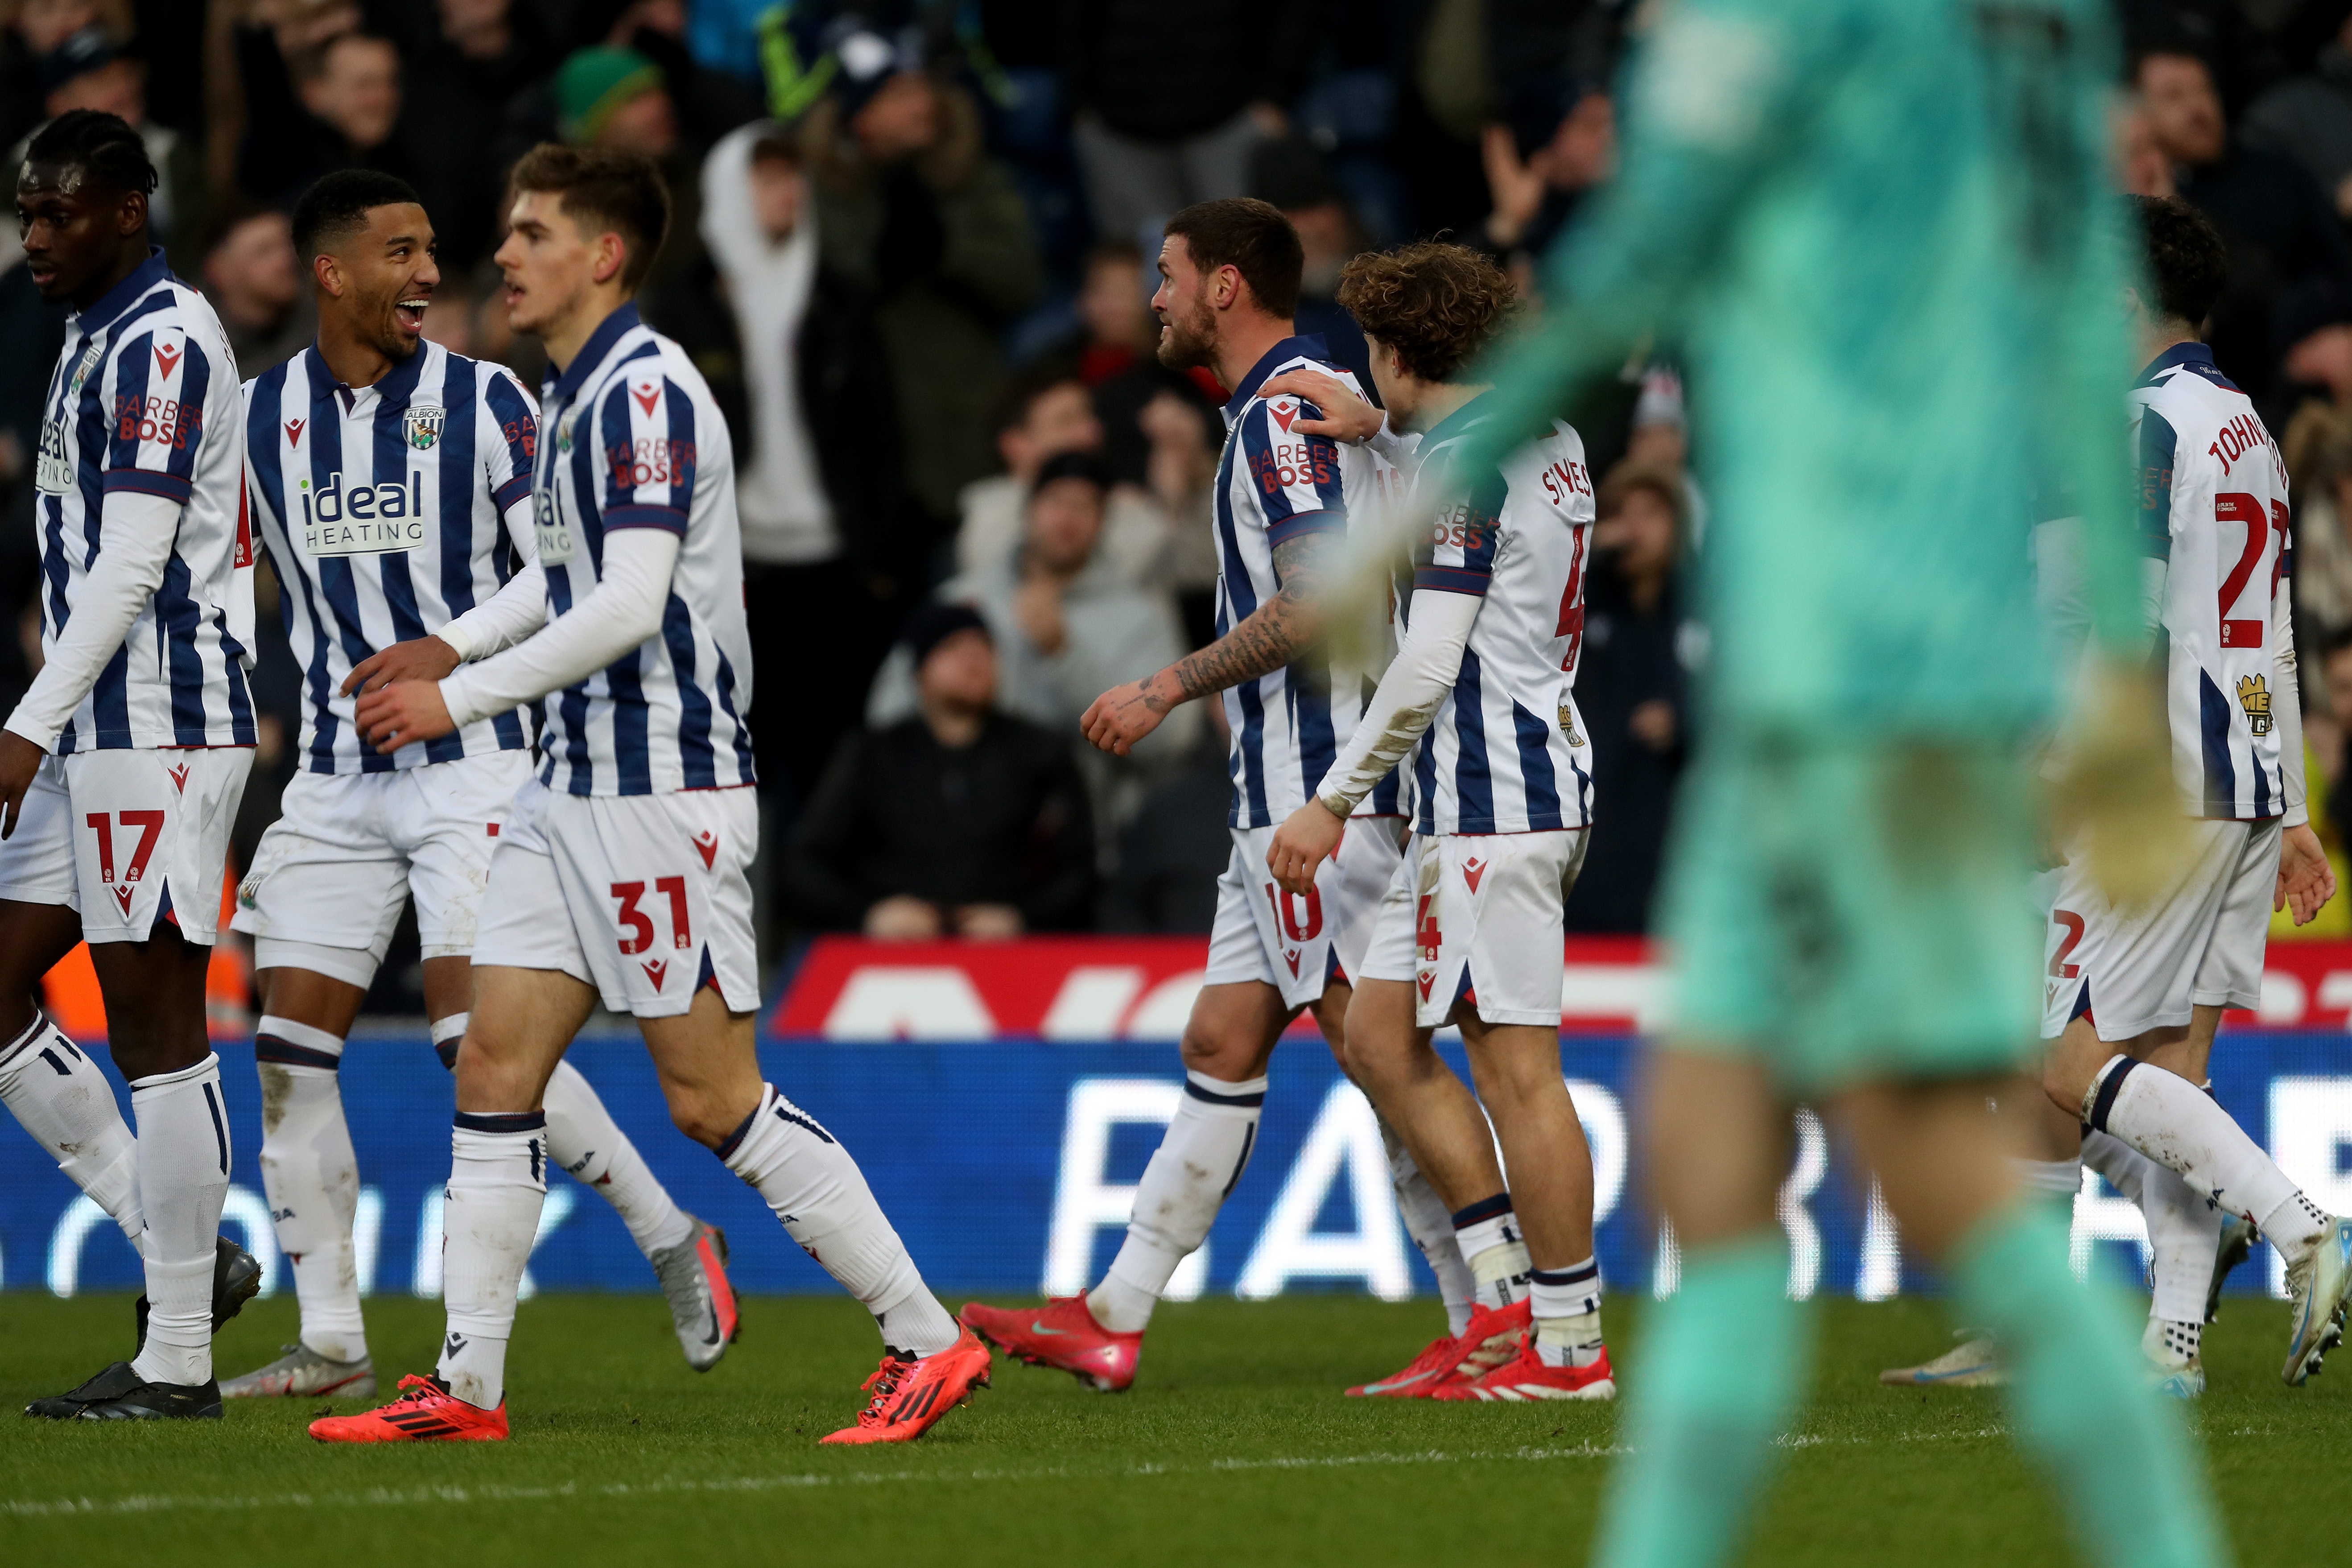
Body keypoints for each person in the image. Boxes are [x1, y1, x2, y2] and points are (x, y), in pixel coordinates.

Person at [1449, 2, 2238, 1563]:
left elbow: (1611, 279)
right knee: (1756, 1161)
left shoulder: (1766, 76)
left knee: (1818, 1167)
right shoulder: (1985, 94)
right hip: (1893, 703)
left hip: (1845, 703)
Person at [326, 142, 989, 1445]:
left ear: (604, 253)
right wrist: (455, 642)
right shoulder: (570, 396)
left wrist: (458, 700)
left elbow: (629, 603)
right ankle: (466, 1384)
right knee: (496, 1064)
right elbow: (562, 577)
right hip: (567, 786)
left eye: (531, 232)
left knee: (710, 1098)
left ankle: (928, 1335)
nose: (501, 253)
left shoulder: (643, 391)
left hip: (660, 793)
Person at [217, 168, 737, 1403]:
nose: (429, 275)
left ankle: (670, 1231)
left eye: (434, 251)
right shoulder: (258, 416)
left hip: (476, 761)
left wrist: (453, 650)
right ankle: (334, 1337)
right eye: (401, 253)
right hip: (339, 774)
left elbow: (562, 571)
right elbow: (240, 578)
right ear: (330, 274)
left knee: (476, 1045)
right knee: (289, 1048)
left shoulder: (492, 401)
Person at [959, 198, 1464, 1392]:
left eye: (1169, 273)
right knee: (1223, 1037)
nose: (1154, 296)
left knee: (1380, 1056)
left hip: (1319, 788)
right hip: (1280, 789)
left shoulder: (1285, 411)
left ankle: (1491, 1308)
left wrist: (1165, 686)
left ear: (1226, 286)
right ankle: (1114, 1313)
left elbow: (1316, 601)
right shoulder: (1279, 405)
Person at [1260, 240, 1614, 1403]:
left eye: (1375, 354)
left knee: (1521, 1075)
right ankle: (1507, 1303)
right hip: (1501, 791)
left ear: (1400, 353)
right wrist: (1384, 428)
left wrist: (1326, 803)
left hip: (1492, 802)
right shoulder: (1550, 438)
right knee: (1375, 1034)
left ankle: (1569, 1345)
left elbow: (1422, 667)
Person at [2028, 195, 2348, 1394]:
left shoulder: (2141, 421)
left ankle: (2307, 1227)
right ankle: (2173, 1350)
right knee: (2172, 1064)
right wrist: (2296, 804)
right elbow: (2266, 629)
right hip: (2249, 772)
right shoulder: (2248, 426)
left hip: (2165, 779)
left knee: (2070, 1070)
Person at [7, 110, 261, 1422]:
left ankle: (177, 1362)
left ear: (126, 206)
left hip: (156, 724)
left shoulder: (160, 338)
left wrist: (25, 719)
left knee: (159, 1028)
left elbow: (135, 558)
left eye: (57, 212)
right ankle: (187, 1254)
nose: (35, 234)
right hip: (98, 726)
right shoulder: (88, 330)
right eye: (25, 212)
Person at [786, 603, 1098, 940]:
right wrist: (869, 915)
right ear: (919, 670)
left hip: (1011, 954)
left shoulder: (1041, 751)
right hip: (890, 955)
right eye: (952, 648)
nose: (973, 659)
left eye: (984, 647)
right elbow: (804, 865)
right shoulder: (872, 754)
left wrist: (1023, 919)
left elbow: (1081, 868)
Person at [1565, 461, 1696, 935]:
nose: (1634, 527)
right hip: (1591, 844)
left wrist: (1684, 719)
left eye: (1652, 513)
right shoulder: (1583, 604)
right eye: (1622, 513)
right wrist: (1592, 546)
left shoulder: (1702, 611)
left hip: (1676, 852)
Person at [955, 366, 1174, 585]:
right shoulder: (991, 515)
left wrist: (1179, 483)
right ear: (1016, 445)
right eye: (1066, 421)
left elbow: (1188, 573)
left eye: (1090, 418)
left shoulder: (1127, 501)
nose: (1091, 433)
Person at [198, 202, 313, 380]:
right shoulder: (199, 356)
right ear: (219, 271)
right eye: (264, 252)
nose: (286, 261)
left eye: (288, 246)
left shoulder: (329, 320)